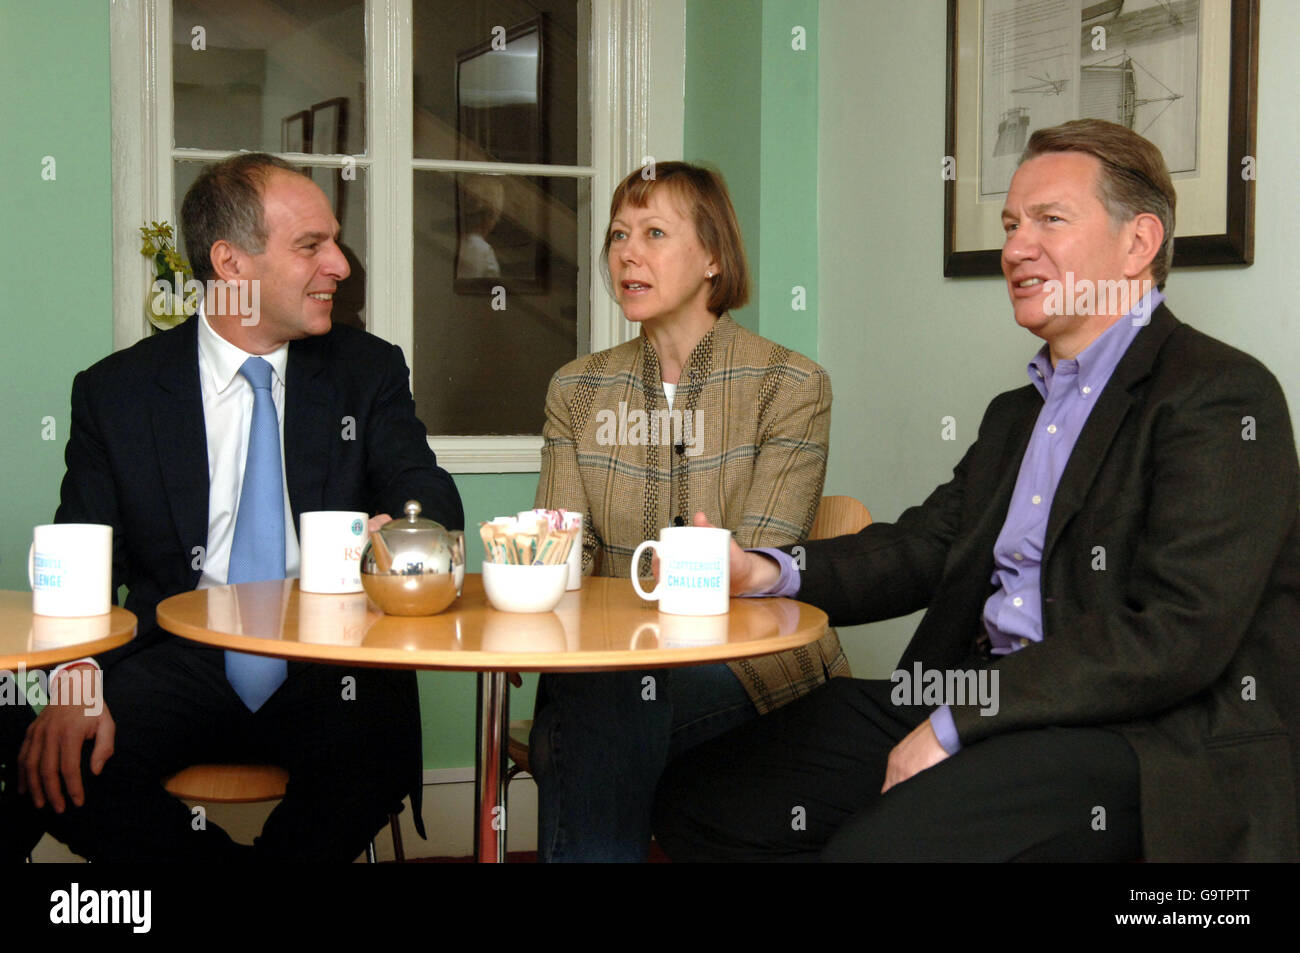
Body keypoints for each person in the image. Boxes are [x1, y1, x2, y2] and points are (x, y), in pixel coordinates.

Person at [652, 119, 1300, 862]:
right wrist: (763, 569)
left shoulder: (1222, 396)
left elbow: (1174, 634)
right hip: (976, 692)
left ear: (1138, 243)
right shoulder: (1016, 413)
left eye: (1050, 220)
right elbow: (925, 544)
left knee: (877, 851)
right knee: (699, 797)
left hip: (1135, 734)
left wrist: (960, 719)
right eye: (1011, 223)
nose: (1016, 247)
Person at [17, 153, 463, 861]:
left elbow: (428, 493)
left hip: (326, 659)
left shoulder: (367, 371)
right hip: (180, 660)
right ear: (230, 264)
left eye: (334, 242)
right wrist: (74, 680)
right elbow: (81, 566)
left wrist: (403, 530)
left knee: (372, 742)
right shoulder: (118, 392)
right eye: (311, 246)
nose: (341, 265)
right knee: (44, 753)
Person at [530, 161, 841, 861]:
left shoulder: (789, 384)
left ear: (711, 257)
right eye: (617, 234)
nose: (627, 253)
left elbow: (756, 567)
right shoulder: (577, 388)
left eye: (654, 233)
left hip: (751, 662)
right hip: (608, 670)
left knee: (577, 726)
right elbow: (560, 554)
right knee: (598, 704)